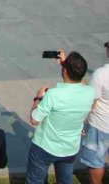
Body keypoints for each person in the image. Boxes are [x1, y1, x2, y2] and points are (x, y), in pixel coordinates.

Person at [26, 49, 95, 184]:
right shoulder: (90, 92)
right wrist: (65, 65)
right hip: (70, 148)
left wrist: (38, 98)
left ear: (65, 71)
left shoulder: (53, 94)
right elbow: (77, 83)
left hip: (44, 146)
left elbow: (34, 119)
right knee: (65, 181)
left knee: (35, 181)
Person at [81, 42, 109, 184]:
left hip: (100, 125)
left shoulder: (101, 74)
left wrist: (81, 123)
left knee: (95, 163)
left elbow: (90, 102)